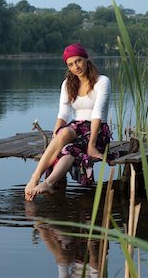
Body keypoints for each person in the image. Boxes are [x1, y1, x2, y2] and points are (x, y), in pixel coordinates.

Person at [25, 43, 112, 201]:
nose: (76, 67)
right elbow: (63, 114)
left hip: (97, 130)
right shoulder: (67, 84)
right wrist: (55, 141)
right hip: (76, 127)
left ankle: (49, 182)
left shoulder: (102, 82)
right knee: (64, 134)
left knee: (70, 151)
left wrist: (91, 145)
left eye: (78, 61)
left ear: (86, 59)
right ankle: (35, 178)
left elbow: (97, 113)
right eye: (70, 64)